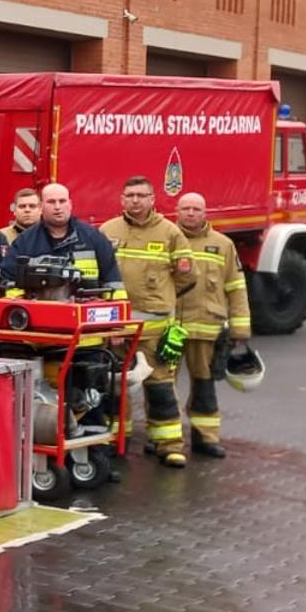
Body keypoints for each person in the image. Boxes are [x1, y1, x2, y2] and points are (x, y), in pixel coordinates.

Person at [99, 175, 195, 467]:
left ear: (153, 199)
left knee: (161, 386)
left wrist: (161, 300)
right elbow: (98, 276)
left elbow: (186, 277)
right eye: (130, 195)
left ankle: (169, 445)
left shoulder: (170, 233)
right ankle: (116, 440)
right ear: (122, 199)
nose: (136, 200)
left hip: (155, 329)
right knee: (115, 385)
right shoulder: (107, 230)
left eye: (142, 195)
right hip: (116, 327)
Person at [173, 191, 250, 459]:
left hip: (206, 326)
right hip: (170, 327)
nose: (191, 213)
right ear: (177, 211)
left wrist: (241, 328)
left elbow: (236, 287)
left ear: (205, 213)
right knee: (162, 385)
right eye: (186, 208)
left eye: (196, 209)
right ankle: (162, 439)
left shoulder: (223, 244)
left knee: (204, 385)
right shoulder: (168, 239)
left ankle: (205, 438)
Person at [0, 183, 124, 294]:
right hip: (40, 314)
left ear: (70, 204)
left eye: (62, 201)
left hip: (84, 313)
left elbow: (113, 282)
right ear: (41, 206)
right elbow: (8, 280)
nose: (57, 207)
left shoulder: (94, 238)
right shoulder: (25, 241)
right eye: (51, 202)